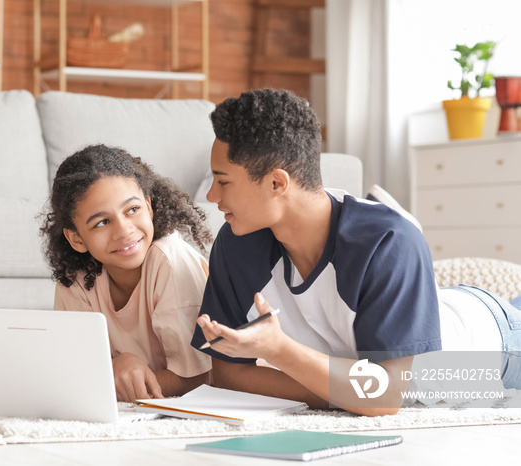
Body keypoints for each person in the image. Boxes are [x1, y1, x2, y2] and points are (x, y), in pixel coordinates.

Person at [191, 88, 521, 416]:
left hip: (495, 344)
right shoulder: (236, 243)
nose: (210, 195)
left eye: (223, 181)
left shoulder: (388, 240)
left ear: (277, 183)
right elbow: (229, 375)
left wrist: (280, 351)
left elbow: (384, 396)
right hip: (425, 308)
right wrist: (345, 392)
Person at [42, 144, 213, 402]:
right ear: (76, 238)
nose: (124, 231)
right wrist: (114, 368)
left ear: (149, 206)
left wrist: (112, 376)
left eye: (132, 210)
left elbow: (200, 378)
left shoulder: (169, 260)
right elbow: (74, 371)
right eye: (101, 222)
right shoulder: (75, 281)